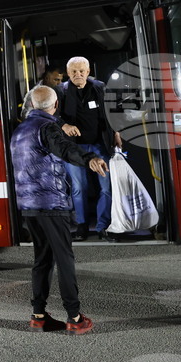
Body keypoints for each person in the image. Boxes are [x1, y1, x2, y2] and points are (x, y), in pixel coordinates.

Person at [11, 85, 108, 335]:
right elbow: (64, 149)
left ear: (32, 105)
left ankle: (39, 316)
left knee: (42, 260)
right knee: (64, 259)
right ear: (55, 107)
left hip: (29, 207)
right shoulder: (48, 127)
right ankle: (74, 317)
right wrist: (89, 159)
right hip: (51, 204)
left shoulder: (20, 129)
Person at [56, 56, 122, 241]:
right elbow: (52, 116)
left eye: (81, 71)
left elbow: (111, 111)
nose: (78, 74)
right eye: (74, 72)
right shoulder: (60, 91)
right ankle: (82, 226)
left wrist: (116, 132)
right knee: (79, 188)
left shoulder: (100, 87)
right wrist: (64, 126)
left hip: (99, 145)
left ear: (88, 72)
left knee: (106, 188)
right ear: (68, 74)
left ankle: (103, 226)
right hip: (74, 148)